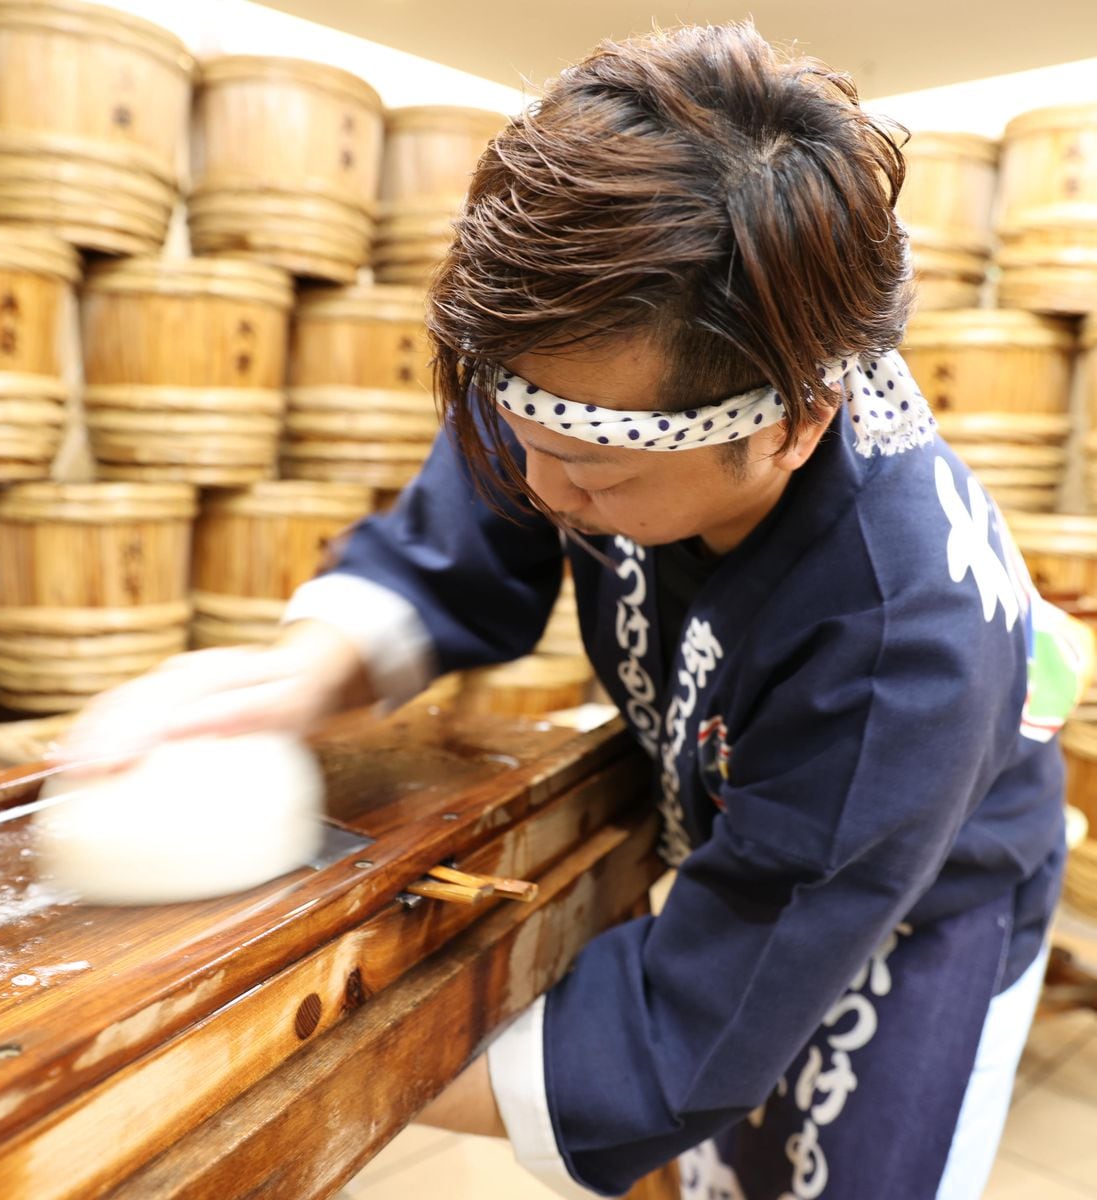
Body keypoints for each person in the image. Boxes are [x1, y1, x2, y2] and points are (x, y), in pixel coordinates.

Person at [62, 23, 1093, 1200]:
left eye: (590, 473)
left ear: (792, 427)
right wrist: (301, 676)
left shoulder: (898, 640)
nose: (541, 490)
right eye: (524, 436)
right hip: (774, 810)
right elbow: (467, 531)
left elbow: (690, 1025)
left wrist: (242, 1063)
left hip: (925, 881)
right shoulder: (605, 369)